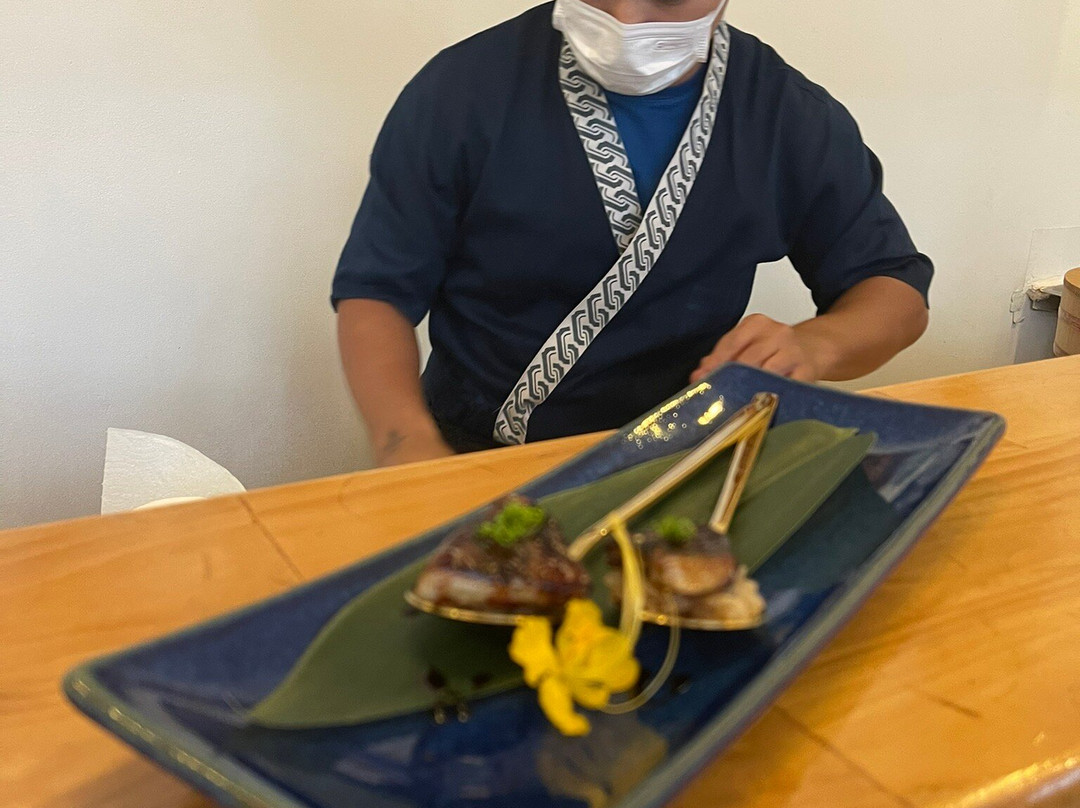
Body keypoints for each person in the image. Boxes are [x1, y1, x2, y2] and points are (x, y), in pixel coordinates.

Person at [334, 0, 932, 466]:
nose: (625, 17)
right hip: (472, 455)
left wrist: (816, 346)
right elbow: (377, 292)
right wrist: (404, 443)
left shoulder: (784, 116)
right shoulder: (462, 92)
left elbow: (893, 288)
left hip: (683, 459)